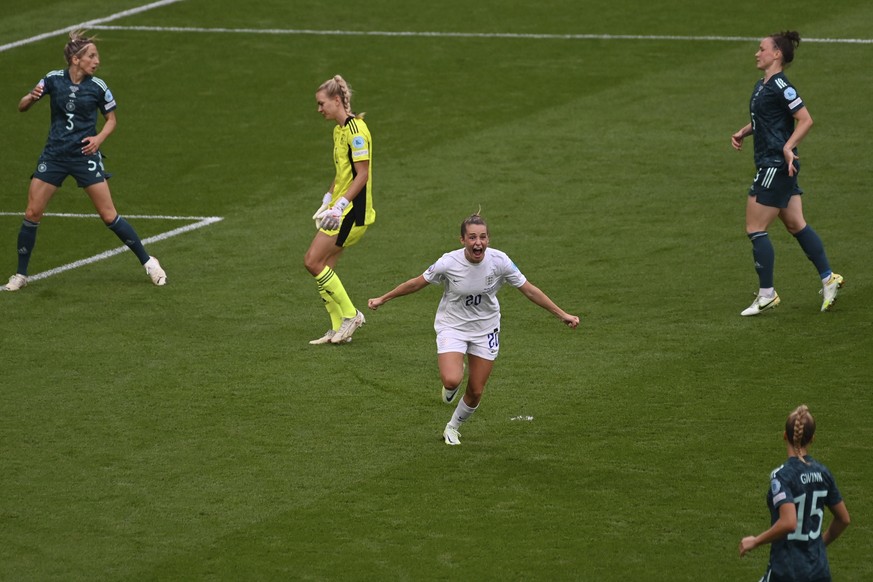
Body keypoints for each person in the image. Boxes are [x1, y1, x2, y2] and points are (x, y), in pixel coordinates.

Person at [367, 213, 579, 445]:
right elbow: (417, 282)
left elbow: (529, 290)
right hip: (453, 326)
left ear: (488, 239)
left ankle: (452, 427)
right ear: (462, 240)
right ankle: (453, 380)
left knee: (476, 390)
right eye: (472, 238)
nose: (478, 243)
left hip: (485, 329)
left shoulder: (500, 261)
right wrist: (383, 298)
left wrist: (562, 315)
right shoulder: (448, 262)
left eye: (483, 237)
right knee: (451, 380)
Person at [2, 30, 166, 292]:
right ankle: (20, 274)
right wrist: (31, 98)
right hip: (54, 155)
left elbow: (112, 121)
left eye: (96, 56)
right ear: (76, 60)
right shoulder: (53, 79)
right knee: (32, 213)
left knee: (108, 215)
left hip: (84, 157)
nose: (97, 60)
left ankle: (149, 262)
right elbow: (22, 106)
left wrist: (98, 139)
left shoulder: (98, 87)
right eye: (91, 56)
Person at [730, 30, 841, 316]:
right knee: (796, 225)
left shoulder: (781, 85)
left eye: (762, 48)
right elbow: (765, 119)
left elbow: (805, 119)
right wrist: (744, 131)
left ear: (777, 54)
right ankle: (829, 279)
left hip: (775, 166)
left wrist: (788, 147)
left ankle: (767, 293)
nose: (757, 53)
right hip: (775, 164)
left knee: (755, 228)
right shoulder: (762, 85)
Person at [739, 404, 851, 581]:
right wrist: (819, 544)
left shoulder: (782, 476)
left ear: (785, 435)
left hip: (787, 571)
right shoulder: (823, 473)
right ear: (812, 438)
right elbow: (844, 519)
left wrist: (755, 540)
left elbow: (789, 522)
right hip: (819, 571)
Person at [304, 75, 374, 344]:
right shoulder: (339, 131)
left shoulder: (357, 131)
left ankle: (351, 315)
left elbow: (362, 174)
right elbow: (343, 172)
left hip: (352, 213)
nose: (319, 109)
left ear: (336, 101)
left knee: (312, 261)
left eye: (322, 103)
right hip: (338, 209)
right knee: (325, 265)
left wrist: (340, 205)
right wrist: (327, 198)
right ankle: (336, 328)